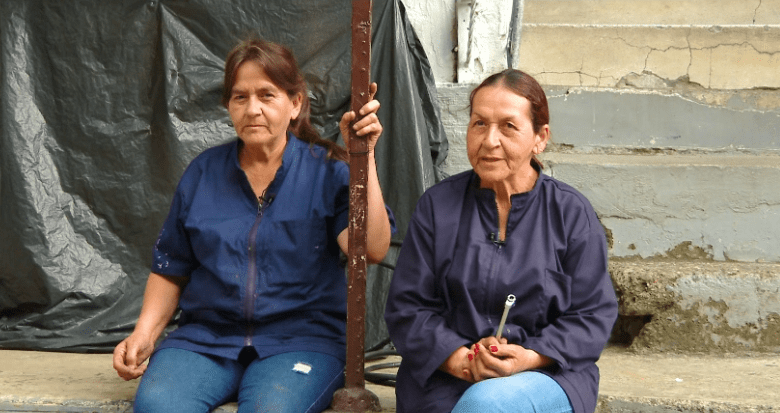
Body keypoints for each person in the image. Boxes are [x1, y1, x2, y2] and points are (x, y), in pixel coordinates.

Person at [112, 38, 393, 413]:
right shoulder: (203, 172)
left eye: (267, 95)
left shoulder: (327, 172)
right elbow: (171, 266)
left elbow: (372, 249)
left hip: (303, 339)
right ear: (228, 105)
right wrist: (143, 335)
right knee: (158, 406)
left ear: (295, 104)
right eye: (240, 97)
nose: (253, 109)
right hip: (207, 340)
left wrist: (363, 157)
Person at [384, 69, 618, 413]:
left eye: (508, 126)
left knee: (487, 404)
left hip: (547, 372)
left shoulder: (571, 213)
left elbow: (593, 314)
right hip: (445, 376)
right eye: (479, 124)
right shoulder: (438, 206)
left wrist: (528, 356)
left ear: (540, 137)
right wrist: (461, 359)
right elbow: (408, 307)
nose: (490, 140)